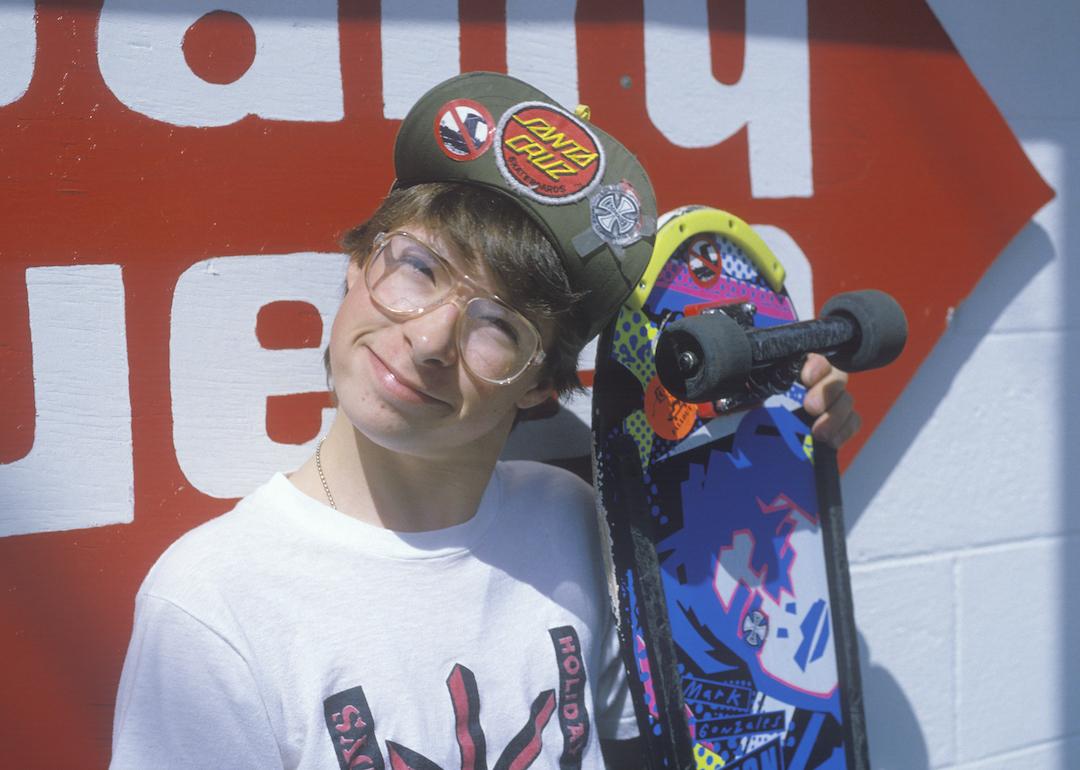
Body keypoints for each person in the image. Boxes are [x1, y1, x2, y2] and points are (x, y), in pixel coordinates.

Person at [110, 72, 859, 770]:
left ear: (540, 385)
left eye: (497, 324)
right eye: (418, 269)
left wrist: (767, 452)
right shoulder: (212, 604)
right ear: (355, 264)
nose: (430, 340)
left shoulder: (573, 519)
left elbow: (698, 720)